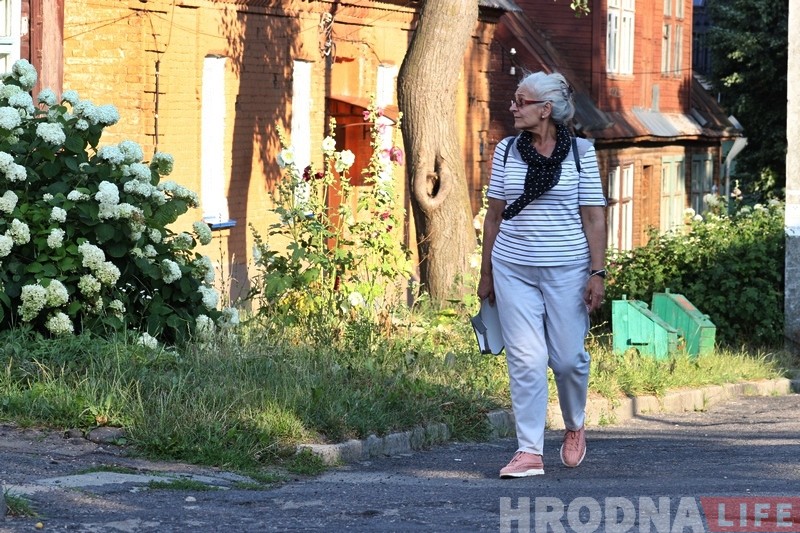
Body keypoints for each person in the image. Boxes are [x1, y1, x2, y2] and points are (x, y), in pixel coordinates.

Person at [477, 71, 607, 478]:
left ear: (546, 109)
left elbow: (593, 216)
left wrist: (597, 272)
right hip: (513, 268)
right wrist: (486, 275)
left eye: (521, 100)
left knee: (568, 360)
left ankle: (574, 424)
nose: (513, 107)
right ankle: (529, 450)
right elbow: (494, 215)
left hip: (568, 270)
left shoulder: (582, 153)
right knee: (526, 359)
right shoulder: (506, 151)